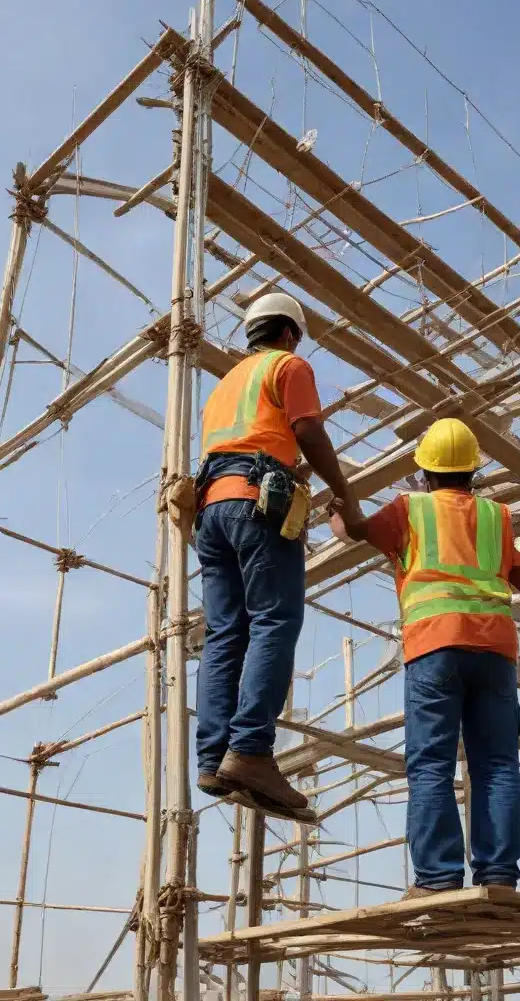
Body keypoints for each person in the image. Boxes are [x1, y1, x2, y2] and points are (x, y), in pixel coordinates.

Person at [331, 418, 520, 897]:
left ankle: (439, 879)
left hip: (434, 645)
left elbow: (359, 531)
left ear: (424, 472)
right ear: (473, 471)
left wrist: (337, 517)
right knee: (498, 764)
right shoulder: (498, 517)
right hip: (495, 651)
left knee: (431, 764)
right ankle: (500, 876)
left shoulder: (410, 509)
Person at [194, 292, 365, 813]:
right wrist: (344, 491)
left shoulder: (225, 385)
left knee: (225, 632)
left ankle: (213, 757)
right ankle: (249, 751)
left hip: (211, 506)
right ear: (290, 332)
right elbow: (306, 429)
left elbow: (252, 440)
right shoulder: (288, 365)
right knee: (275, 620)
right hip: (256, 504)